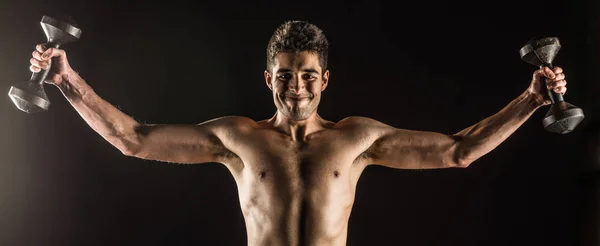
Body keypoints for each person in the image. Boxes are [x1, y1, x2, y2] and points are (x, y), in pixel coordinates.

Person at [28, 20, 567, 246]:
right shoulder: (238, 139)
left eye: (308, 75)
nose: (297, 87)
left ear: (324, 79)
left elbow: (458, 151)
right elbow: (135, 139)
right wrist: (68, 80)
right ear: (269, 79)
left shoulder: (357, 140)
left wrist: (531, 98)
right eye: (284, 76)